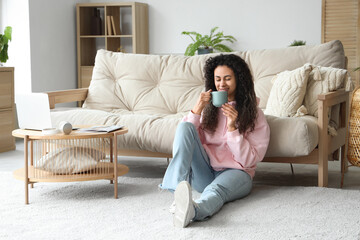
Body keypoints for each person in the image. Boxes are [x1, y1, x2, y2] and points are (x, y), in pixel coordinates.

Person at [159, 54, 270, 228]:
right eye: (217, 79)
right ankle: (177, 193)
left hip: (237, 173)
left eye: (227, 78)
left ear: (239, 80)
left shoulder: (255, 115)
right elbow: (187, 138)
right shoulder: (209, 109)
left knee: (214, 191)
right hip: (205, 171)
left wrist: (233, 128)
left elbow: (249, 160)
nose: (221, 84)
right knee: (185, 127)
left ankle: (194, 211)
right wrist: (197, 110)